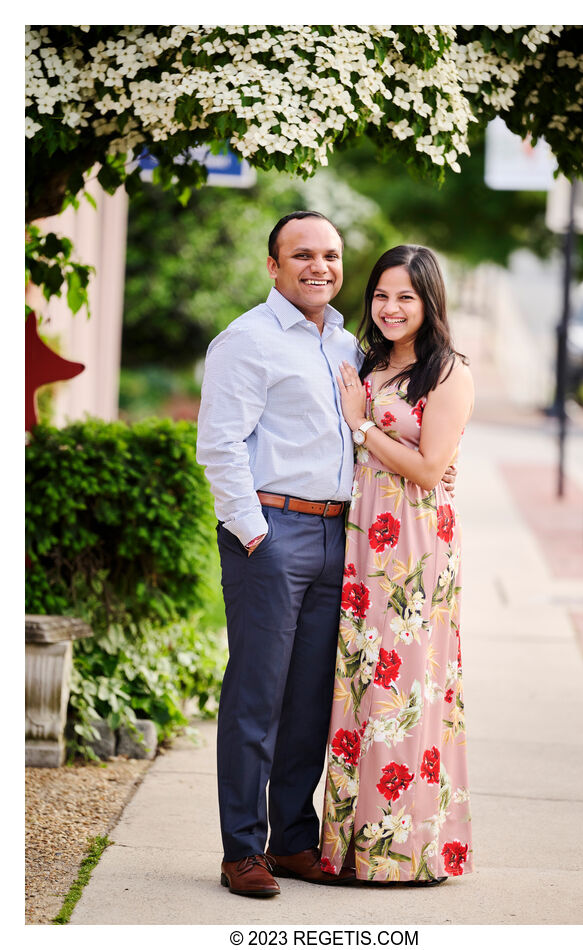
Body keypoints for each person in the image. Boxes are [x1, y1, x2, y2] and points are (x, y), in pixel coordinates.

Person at [196, 214, 457, 898]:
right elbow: (220, 446)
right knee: (258, 694)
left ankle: (291, 840)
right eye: (302, 254)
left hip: (341, 537)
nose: (319, 266)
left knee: (314, 697)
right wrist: (253, 532)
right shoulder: (246, 340)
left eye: (331, 255)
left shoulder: (348, 345)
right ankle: (242, 850)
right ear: (273, 264)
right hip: (274, 532)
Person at [319, 244, 474, 884]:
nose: (389, 308)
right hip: (362, 545)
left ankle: (403, 853)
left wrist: (361, 427)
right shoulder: (370, 364)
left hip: (413, 550)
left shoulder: (448, 373)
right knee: (358, 683)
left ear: (429, 301)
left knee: (403, 688)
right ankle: (349, 846)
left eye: (405, 297)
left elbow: (429, 468)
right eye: (381, 296)